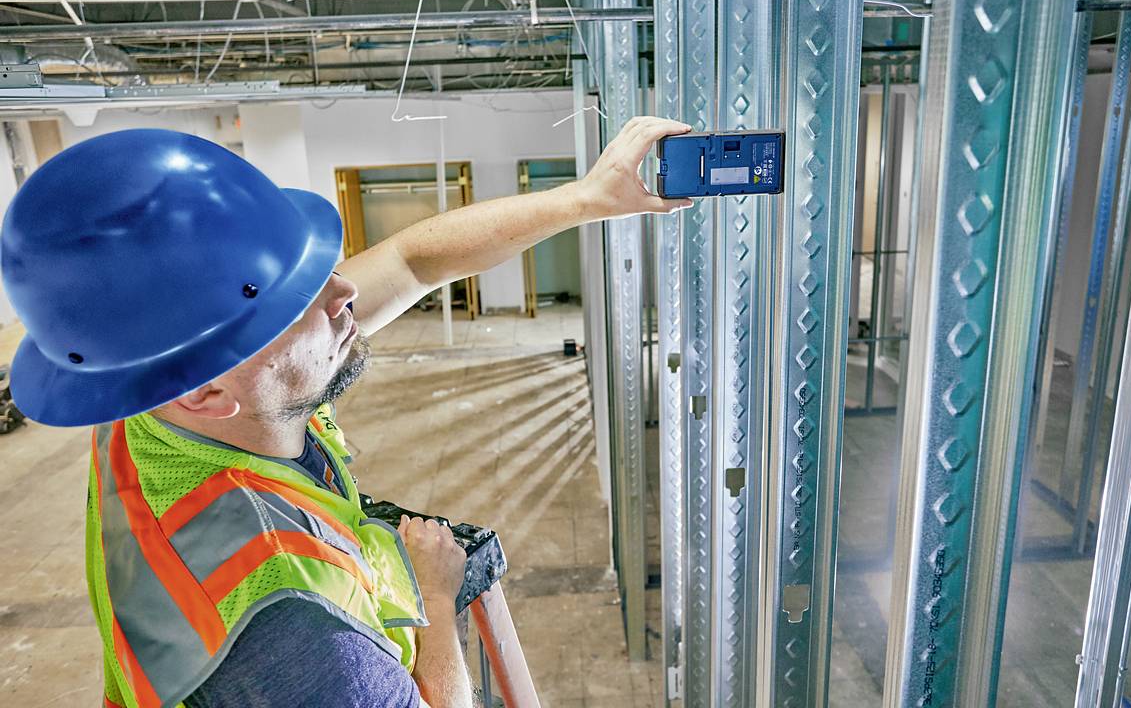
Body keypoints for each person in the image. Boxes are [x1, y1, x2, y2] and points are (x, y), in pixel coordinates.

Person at [0, 116, 692, 708]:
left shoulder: (156, 391)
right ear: (206, 391)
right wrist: (435, 599)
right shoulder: (293, 632)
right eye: (290, 304)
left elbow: (417, 262)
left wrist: (587, 199)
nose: (345, 292)